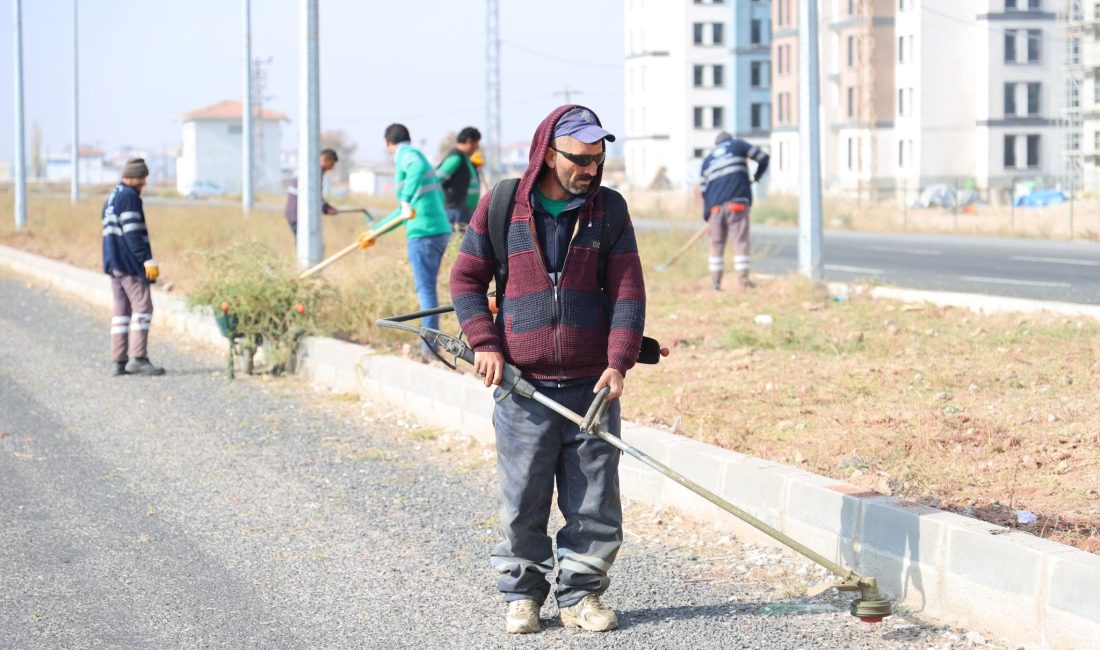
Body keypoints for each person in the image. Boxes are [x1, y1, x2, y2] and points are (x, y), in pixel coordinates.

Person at [450, 106, 646, 635]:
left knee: (595, 501)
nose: (590, 170)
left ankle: (582, 595)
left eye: (598, 160)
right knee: (522, 500)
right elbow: (466, 280)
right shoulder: (503, 205)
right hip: (523, 389)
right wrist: (485, 343)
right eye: (580, 160)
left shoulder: (609, 210)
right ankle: (524, 595)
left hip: (591, 388)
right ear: (547, 153)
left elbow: (628, 289)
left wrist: (619, 360)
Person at [362, 124, 451, 351]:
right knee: (429, 288)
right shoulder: (418, 154)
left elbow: (408, 197)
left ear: (387, 143)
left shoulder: (406, 155)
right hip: (438, 231)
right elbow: (402, 213)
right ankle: (431, 346)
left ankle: (429, 348)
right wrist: (375, 232)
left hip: (423, 235)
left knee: (426, 290)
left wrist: (406, 199)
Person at [102, 158, 165, 376]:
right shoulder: (129, 197)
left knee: (121, 313)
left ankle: (118, 361)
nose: (143, 185)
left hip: (114, 264)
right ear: (133, 177)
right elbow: (133, 232)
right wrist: (146, 259)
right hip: (129, 265)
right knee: (143, 308)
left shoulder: (112, 197)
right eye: (142, 179)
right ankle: (138, 357)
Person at [699, 132, 769, 291]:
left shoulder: (708, 160)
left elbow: (704, 191)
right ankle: (743, 283)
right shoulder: (738, 145)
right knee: (740, 242)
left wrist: (708, 216)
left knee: (716, 245)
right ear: (729, 141)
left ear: (716, 144)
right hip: (737, 203)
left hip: (715, 208)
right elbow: (763, 157)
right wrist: (756, 177)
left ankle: (715, 284)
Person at [436, 126, 482, 233]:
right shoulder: (456, 159)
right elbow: (436, 179)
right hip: (454, 212)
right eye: (476, 144)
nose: (477, 147)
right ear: (469, 141)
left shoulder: (465, 159)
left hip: (463, 212)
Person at [284, 148, 339, 235]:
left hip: (297, 215)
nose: (332, 168)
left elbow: (315, 195)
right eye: (332, 164)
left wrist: (327, 208)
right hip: (297, 216)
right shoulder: (313, 172)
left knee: (311, 246)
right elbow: (313, 195)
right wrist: (326, 208)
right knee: (310, 246)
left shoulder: (312, 170)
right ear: (325, 159)